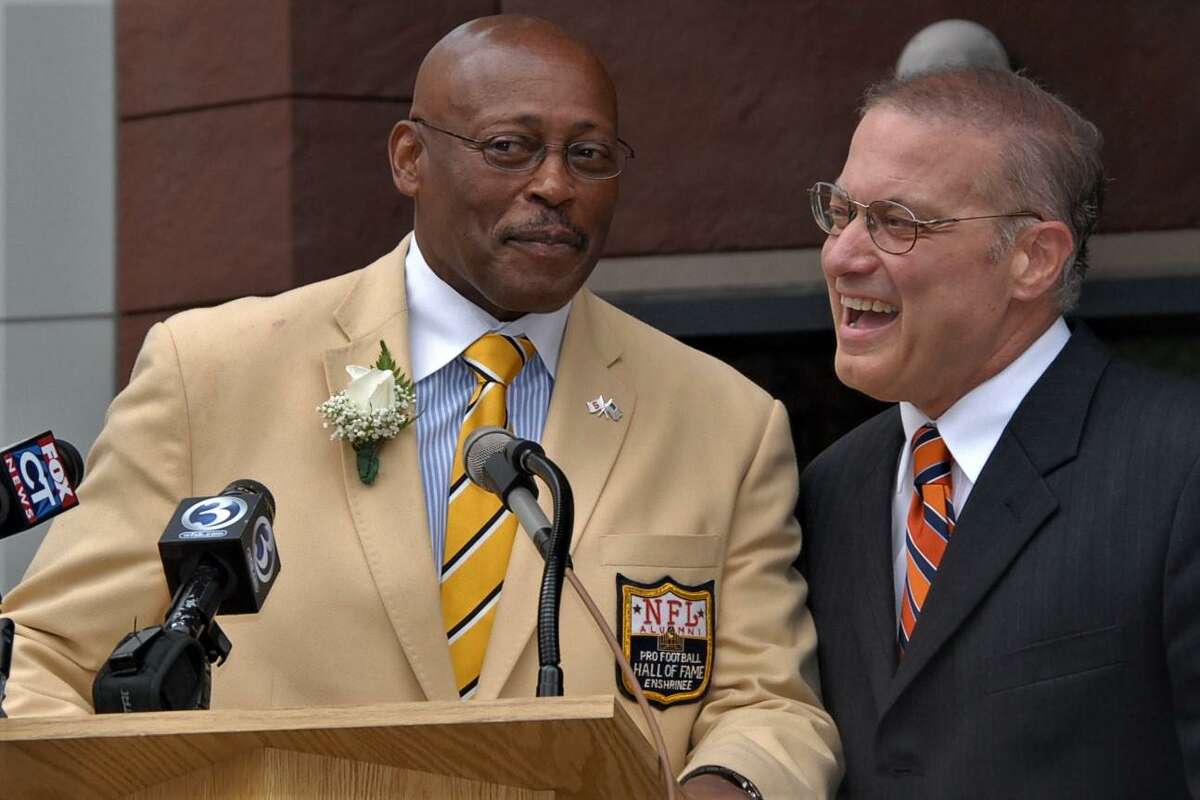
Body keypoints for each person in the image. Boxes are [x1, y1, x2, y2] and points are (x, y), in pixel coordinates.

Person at [0, 15, 841, 798]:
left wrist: (729, 782)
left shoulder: (729, 423)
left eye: (589, 156)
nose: (554, 185)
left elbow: (770, 704)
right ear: (409, 158)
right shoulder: (210, 372)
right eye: (510, 148)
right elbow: (47, 656)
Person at [798, 66, 1200, 798]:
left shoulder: (1179, 467)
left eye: (896, 221)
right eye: (841, 211)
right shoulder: (825, 490)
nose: (843, 254)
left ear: (1033, 259)